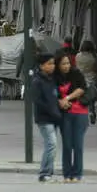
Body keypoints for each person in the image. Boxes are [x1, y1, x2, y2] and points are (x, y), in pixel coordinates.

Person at [55, 51, 89, 182]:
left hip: (79, 112)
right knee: (67, 145)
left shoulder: (76, 73)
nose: (66, 66)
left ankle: (78, 173)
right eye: (63, 63)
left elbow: (81, 88)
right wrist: (60, 102)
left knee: (78, 145)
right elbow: (52, 92)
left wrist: (67, 98)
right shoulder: (55, 77)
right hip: (64, 114)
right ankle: (67, 173)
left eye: (68, 63)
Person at [30, 51, 62, 182]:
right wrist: (51, 110)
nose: (52, 66)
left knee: (52, 144)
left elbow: (55, 95)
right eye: (49, 64)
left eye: (53, 63)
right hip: (44, 118)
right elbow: (38, 101)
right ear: (42, 66)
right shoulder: (38, 81)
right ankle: (44, 172)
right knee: (51, 144)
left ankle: (49, 170)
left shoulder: (51, 79)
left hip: (53, 116)